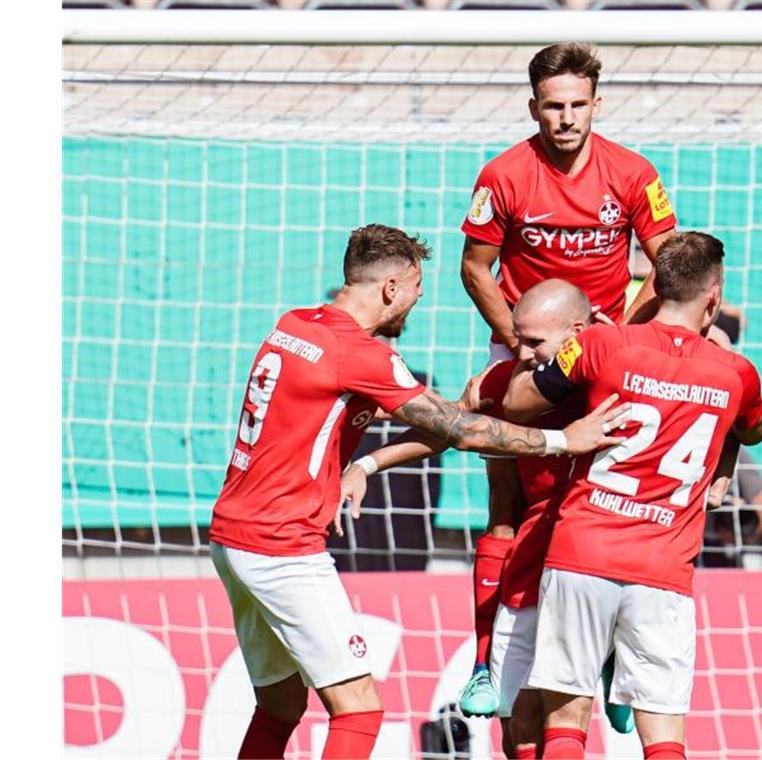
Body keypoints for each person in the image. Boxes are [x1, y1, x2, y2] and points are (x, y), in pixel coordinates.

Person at [208, 224, 628, 760]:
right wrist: (561, 440)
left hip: (232, 536)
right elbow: (459, 432)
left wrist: (375, 459)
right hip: (282, 545)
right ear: (390, 287)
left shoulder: (295, 325)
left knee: (281, 706)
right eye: (416, 285)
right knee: (360, 710)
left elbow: (435, 418)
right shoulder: (360, 354)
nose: (420, 296)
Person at [457, 41, 678, 715]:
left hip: (602, 353)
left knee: (610, 498)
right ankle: (484, 664)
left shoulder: (634, 173)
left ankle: (610, 656)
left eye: (578, 105)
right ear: (534, 107)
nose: (566, 119)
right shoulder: (503, 176)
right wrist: (520, 344)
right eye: (553, 106)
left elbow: (667, 262)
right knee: (506, 499)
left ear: (596, 105)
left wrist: (613, 335)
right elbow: (474, 268)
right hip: (525, 352)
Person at [502, 231, 762, 759]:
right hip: (664, 570)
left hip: (582, 555)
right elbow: (753, 430)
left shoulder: (602, 346)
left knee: (567, 720)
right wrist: (722, 469)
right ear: (713, 297)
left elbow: (517, 403)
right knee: (664, 736)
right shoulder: (737, 374)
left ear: (653, 284)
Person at [339, 279, 627, 758]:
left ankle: (616, 658)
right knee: (517, 721)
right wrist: (368, 464)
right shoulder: (505, 381)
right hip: (536, 545)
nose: (524, 352)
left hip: (596, 547)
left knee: (558, 709)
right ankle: (487, 665)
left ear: (578, 333)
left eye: (535, 342)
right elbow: (448, 429)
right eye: (518, 338)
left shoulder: (613, 371)